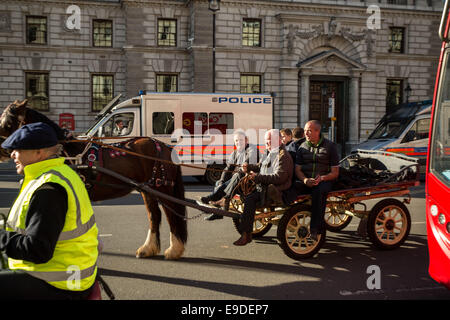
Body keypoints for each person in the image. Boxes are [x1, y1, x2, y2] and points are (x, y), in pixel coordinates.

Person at [0, 122, 99, 300]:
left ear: (39, 152)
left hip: (58, 282)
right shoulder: (60, 173)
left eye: (18, 149)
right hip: (68, 274)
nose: (12, 155)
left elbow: (38, 250)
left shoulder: (48, 188)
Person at [233, 129, 293, 246]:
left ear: (279, 140)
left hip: (275, 190)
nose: (267, 144)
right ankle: (222, 199)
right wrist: (248, 167)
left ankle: (246, 235)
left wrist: (258, 177)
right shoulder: (270, 152)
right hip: (264, 186)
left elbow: (279, 178)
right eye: (266, 141)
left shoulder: (284, 156)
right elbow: (260, 166)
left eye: (269, 141)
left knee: (250, 199)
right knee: (240, 185)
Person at [288, 120, 340, 241]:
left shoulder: (330, 146)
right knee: (291, 186)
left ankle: (315, 229)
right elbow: (298, 169)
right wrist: (305, 180)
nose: (306, 133)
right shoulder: (302, 147)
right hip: (306, 180)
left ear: (318, 131)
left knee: (318, 192)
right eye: (305, 130)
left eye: (309, 131)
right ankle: (288, 218)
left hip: (324, 180)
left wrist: (321, 178)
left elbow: (335, 173)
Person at [198, 130, 259, 220]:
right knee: (219, 182)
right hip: (237, 182)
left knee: (238, 175)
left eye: (241, 140)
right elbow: (227, 169)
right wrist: (221, 182)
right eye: (236, 141)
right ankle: (218, 211)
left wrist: (245, 164)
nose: (238, 142)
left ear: (246, 140)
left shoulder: (252, 148)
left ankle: (217, 199)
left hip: (249, 182)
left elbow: (250, 159)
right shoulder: (234, 153)